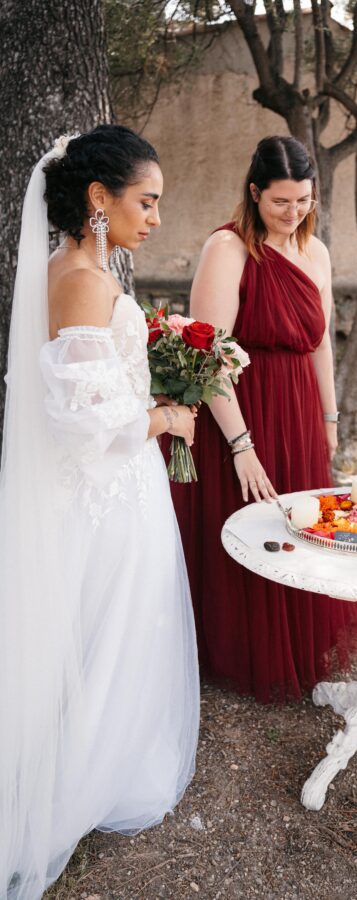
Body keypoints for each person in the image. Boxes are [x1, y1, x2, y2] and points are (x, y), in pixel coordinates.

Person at [0, 125, 200, 900]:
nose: (153, 218)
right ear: (98, 198)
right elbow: (82, 424)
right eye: (145, 202)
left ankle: (99, 758)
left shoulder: (83, 266)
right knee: (106, 631)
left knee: (113, 631)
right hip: (104, 494)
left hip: (118, 486)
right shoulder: (81, 278)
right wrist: (162, 420)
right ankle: (72, 785)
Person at [169, 136, 357, 703]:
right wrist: (241, 444)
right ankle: (234, 651)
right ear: (254, 194)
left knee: (297, 526)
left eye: (303, 201)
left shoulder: (319, 253)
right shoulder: (227, 250)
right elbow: (210, 354)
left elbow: (321, 343)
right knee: (243, 524)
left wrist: (328, 417)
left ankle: (295, 650)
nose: (292, 212)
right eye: (280, 201)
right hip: (241, 408)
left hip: (299, 407)